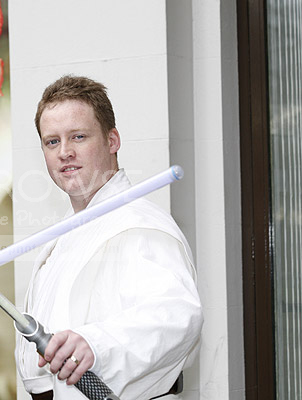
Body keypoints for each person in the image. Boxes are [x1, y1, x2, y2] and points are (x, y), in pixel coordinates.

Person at [15, 75, 203, 400]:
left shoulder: (140, 226)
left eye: (78, 136)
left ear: (112, 140)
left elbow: (176, 316)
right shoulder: (64, 235)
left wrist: (96, 345)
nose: (65, 152)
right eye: (52, 142)